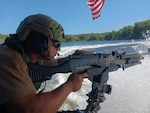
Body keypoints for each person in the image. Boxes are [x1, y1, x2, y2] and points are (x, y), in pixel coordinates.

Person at [0, 14, 89, 113]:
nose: (59, 49)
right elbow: (31, 109)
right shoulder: (10, 60)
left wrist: (77, 58)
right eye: (56, 44)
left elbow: (56, 63)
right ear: (39, 42)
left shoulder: (28, 55)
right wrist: (70, 85)